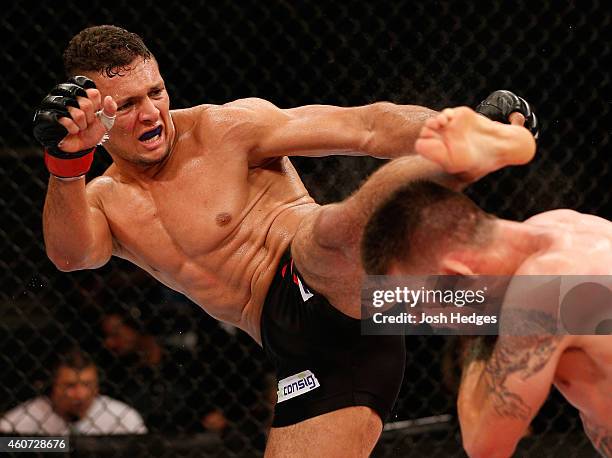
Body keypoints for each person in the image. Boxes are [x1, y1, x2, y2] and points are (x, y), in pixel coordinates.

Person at [33, 25, 536, 455]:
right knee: (529, 304)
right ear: (93, 117)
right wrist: (65, 164)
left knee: (327, 234)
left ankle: (466, 146)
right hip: (312, 357)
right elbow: (71, 255)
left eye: (156, 92)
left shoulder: (225, 128)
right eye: (126, 106)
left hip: (316, 268)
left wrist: (452, 123)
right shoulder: (100, 200)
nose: (150, 114)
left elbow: (364, 125)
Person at [361, 106, 612, 457]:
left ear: (457, 277)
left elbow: (485, 445)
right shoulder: (557, 225)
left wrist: (478, 325)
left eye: (426, 309)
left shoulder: (545, 288)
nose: (434, 324)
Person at [99, 308, 228, 434]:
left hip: (188, 439)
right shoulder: (116, 372)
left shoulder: (183, 361)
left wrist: (212, 415)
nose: (109, 343)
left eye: (116, 334)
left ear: (136, 328)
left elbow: (207, 405)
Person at [0, 347, 146, 435]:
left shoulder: (123, 418)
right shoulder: (19, 421)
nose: (80, 395)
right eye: (70, 386)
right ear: (54, 386)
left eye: (87, 385)